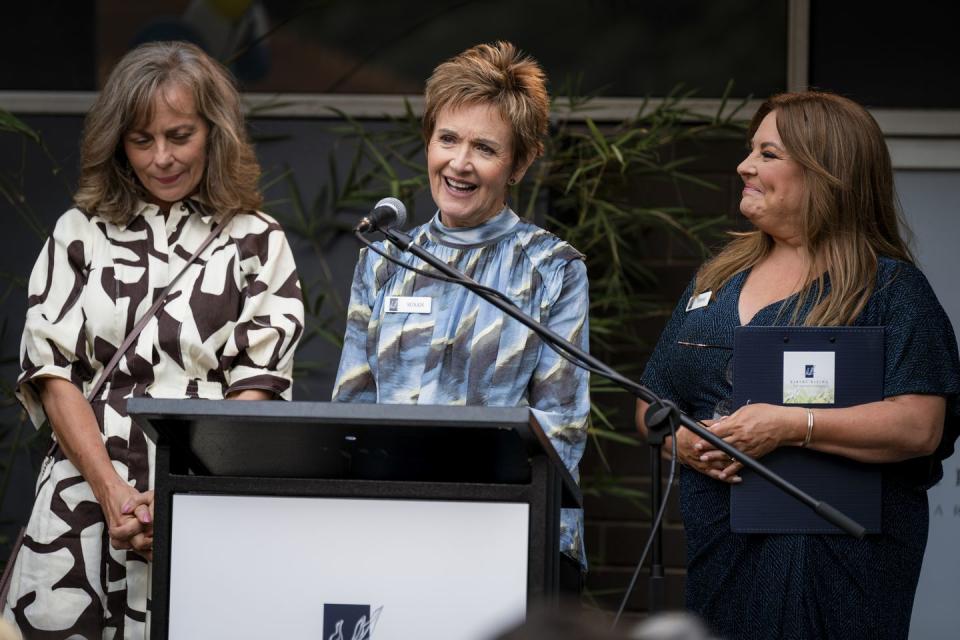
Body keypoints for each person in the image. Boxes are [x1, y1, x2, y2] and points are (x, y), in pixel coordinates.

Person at [2, 41, 304, 637]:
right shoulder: (77, 233)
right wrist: (114, 492)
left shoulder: (257, 240)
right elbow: (51, 374)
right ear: (118, 144)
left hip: (204, 501)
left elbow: (260, 386)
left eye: (179, 135)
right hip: (79, 508)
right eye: (142, 140)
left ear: (214, 132)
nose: (161, 157)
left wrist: (176, 493)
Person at [635, 91, 960, 639]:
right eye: (750, 151)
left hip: (838, 568)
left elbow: (919, 425)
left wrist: (790, 425)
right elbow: (650, 402)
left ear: (826, 171)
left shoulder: (891, 290)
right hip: (724, 555)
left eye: (767, 153)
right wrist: (683, 445)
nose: (745, 165)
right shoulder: (713, 282)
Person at [332, 41, 590, 586]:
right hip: (390, 532)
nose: (460, 163)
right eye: (447, 138)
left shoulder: (552, 269)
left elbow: (561, 429)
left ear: (519, 163)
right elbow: (350, 412)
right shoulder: (382, 259)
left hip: (509, 536)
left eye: (485, 148)